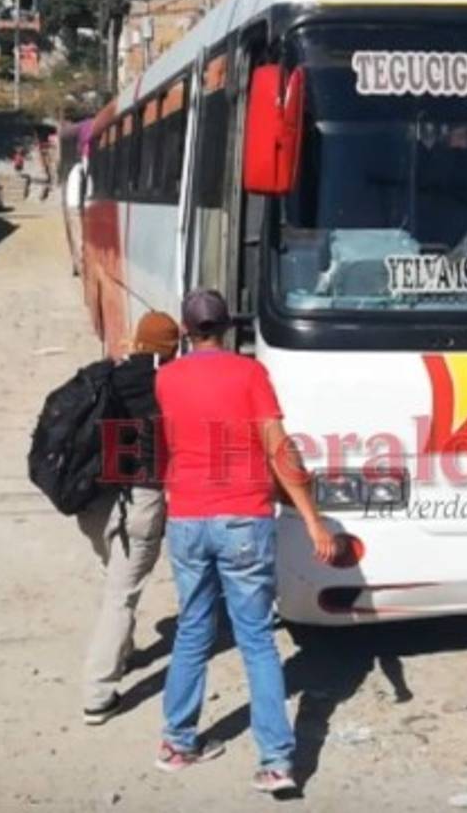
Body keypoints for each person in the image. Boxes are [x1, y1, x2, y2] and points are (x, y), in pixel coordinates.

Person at [154, 289, 336, 794]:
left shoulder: (165, 379)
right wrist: (313, 520)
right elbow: (279, 449)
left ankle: (176, 742)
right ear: (228, 327)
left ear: (188, 331)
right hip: (243, 519)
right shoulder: (250, 374)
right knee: (256, 638)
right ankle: (277, 761)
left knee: (193, 629)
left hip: (188, 517)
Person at [76, 311, 180, 725]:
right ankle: (98, 694)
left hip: (93, 500)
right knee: (121, 594)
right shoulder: (168, 385)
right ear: (173, 347)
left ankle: (124, 649)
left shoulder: (108, 376)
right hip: (139, 500)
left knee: (116, 579)